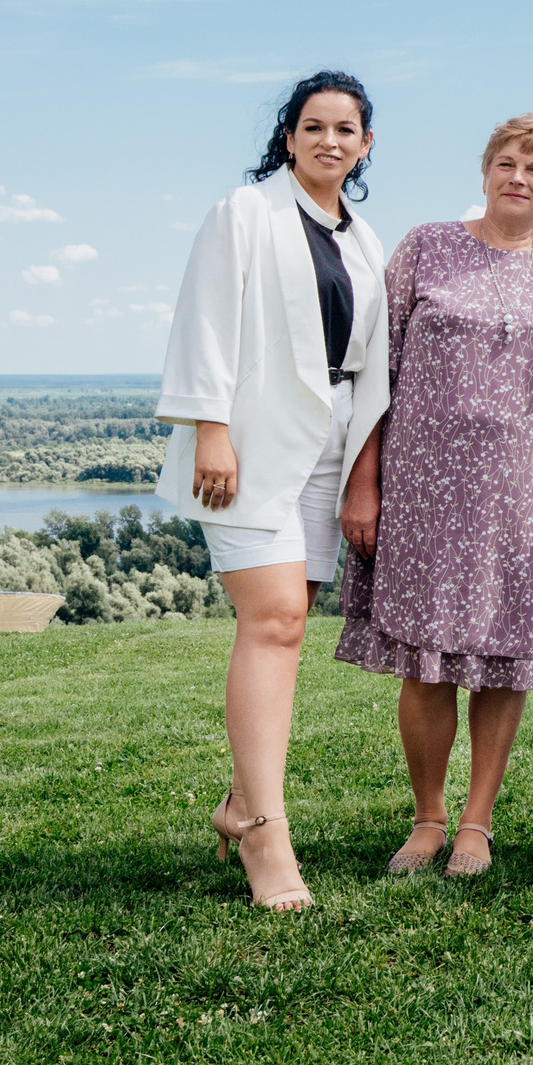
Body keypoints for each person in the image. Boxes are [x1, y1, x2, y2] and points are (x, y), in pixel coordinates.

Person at [335, 114, 533, 878]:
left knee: (504, 661)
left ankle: (476, 825)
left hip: (520, 501)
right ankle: (426, 821)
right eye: (508, 163)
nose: (520, 177)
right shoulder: (425, 247)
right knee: (425, 665)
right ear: (485, 170)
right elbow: (371, 376)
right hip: (421, 490)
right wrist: (365, 484)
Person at [156, 70, 392, 912]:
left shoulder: (365, 239)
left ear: (366, 146)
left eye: (347, 129)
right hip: (250, 439)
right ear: (288, 137)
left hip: (328, 443)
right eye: (313, 126)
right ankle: (264, 832)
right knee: (274, 621)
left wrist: (362, 468)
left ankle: (236, 801)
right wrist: (208, 427)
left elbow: (371, 363)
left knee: (290, 627)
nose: (330, 140)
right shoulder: (245, 214)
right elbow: (206, 318)